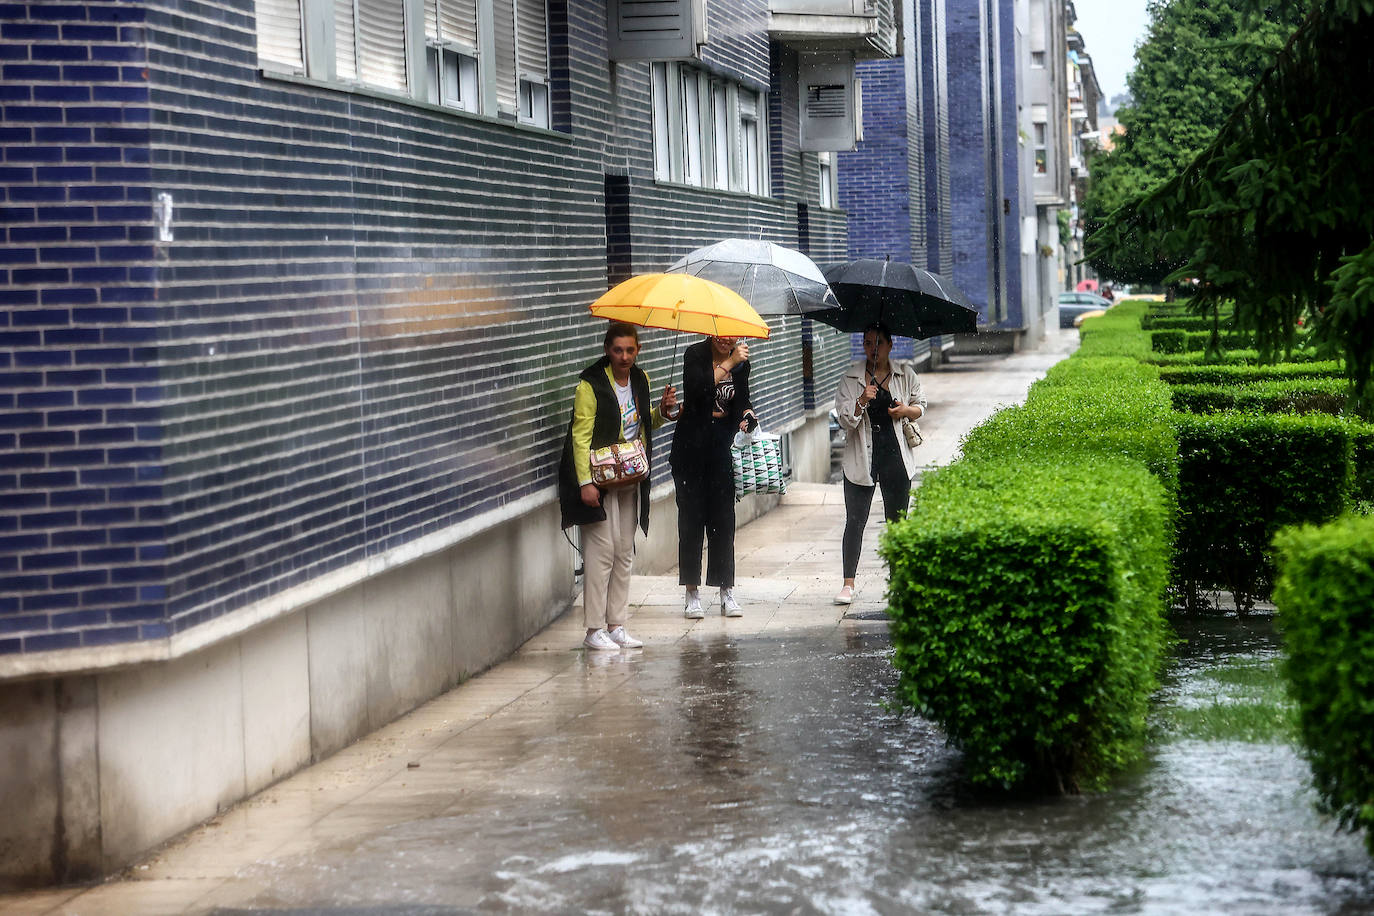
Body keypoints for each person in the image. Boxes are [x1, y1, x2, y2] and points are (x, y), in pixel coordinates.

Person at [559, 322, 678, 650]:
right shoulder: (591, 385)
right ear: (607, 351)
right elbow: (579, 437)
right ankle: (593, 629)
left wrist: (663, 412)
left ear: (638, 350)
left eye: (630, 350)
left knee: (624, 550)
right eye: (617, 350)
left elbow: (640, 425)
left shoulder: (641, 379)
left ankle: (616, 625)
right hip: (599, 481)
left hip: (630, 478)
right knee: (602, 552)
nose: (624, 356)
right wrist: (585, 482)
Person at [832, 323, 926, 605]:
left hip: (895, 455)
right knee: (855, 520)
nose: (873, 349)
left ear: (890, 345)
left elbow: (921, 405)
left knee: (897, 521)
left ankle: (899, 581)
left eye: (879, 343)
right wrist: (862, 400)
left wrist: (904, 410)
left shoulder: (905, 374)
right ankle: (848, 584)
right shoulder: (850, 379)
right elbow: (845, 421)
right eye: (868, 343)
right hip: (862, 456)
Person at [670, 335, 759, 619]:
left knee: (723, 520)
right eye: (722, 335)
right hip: (691, 446)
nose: (727, 340)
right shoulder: (694, 355)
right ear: (711, 332)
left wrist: (747, 414)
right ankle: (692, 593)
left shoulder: (742, 361)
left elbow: (742, 398)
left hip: (723, 445)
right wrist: (730, 362)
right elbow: (698, 392)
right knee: (691, 520)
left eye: (732, 336)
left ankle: (726, 591)